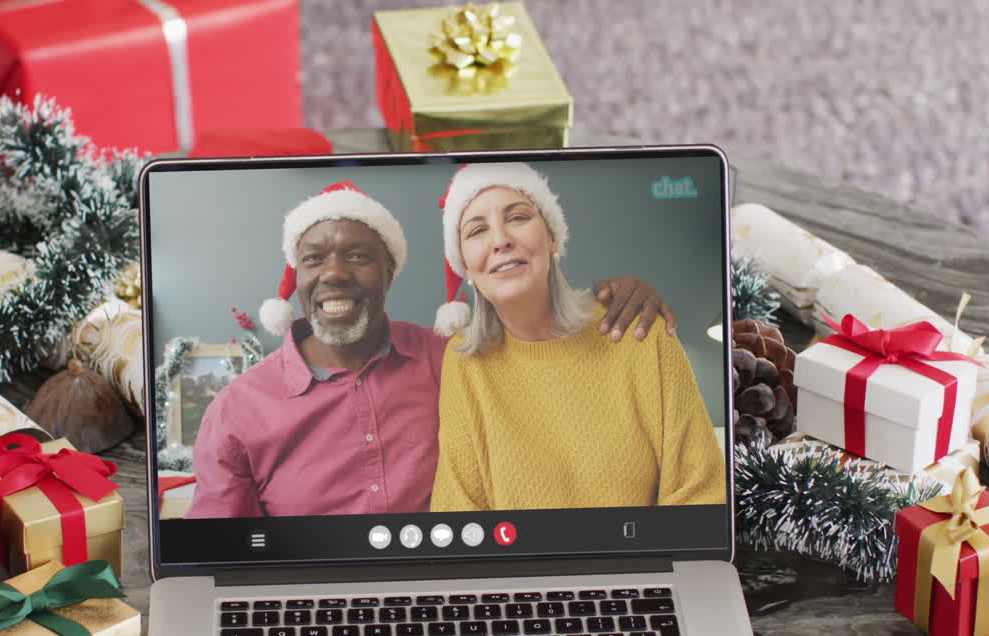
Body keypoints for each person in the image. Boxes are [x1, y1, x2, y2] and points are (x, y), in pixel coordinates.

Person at [186, 179, 677, 518]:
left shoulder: (455, 358)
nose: (333, 273)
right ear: (299, 279)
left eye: (357, 256)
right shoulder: (237, 411)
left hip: (449, 590)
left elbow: (543, 345)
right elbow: (216, 557)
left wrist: (617, 295)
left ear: (388, 273)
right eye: (314, 259)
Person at [429, 162, 725, 513]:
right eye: (477, 231)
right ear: (466, 267)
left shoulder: (638, 332)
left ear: (552, 236)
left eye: (518, 217)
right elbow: (460, 515)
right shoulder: (465, 362)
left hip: (632, 561)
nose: (500, 240)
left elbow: (703, 495)